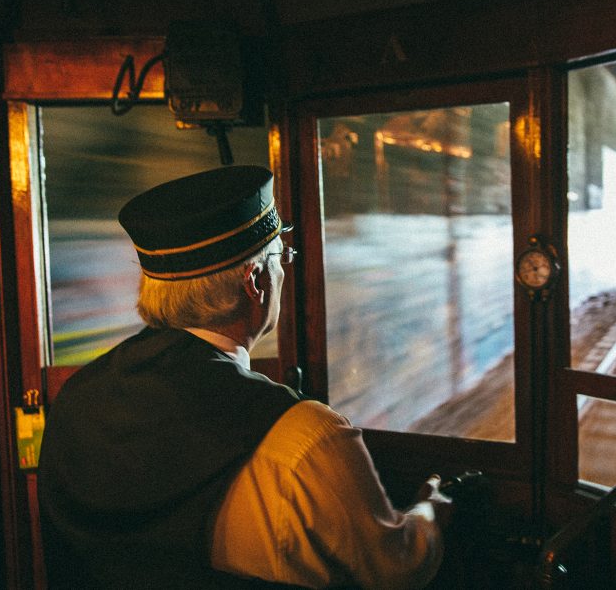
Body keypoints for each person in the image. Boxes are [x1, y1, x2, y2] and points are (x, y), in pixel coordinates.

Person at [38, 165, 452, 589]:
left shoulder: (77, 398)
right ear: (256, 281)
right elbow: (397, 568)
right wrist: (430, 510)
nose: (285, 271)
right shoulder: (304, 436)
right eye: (281, 257)